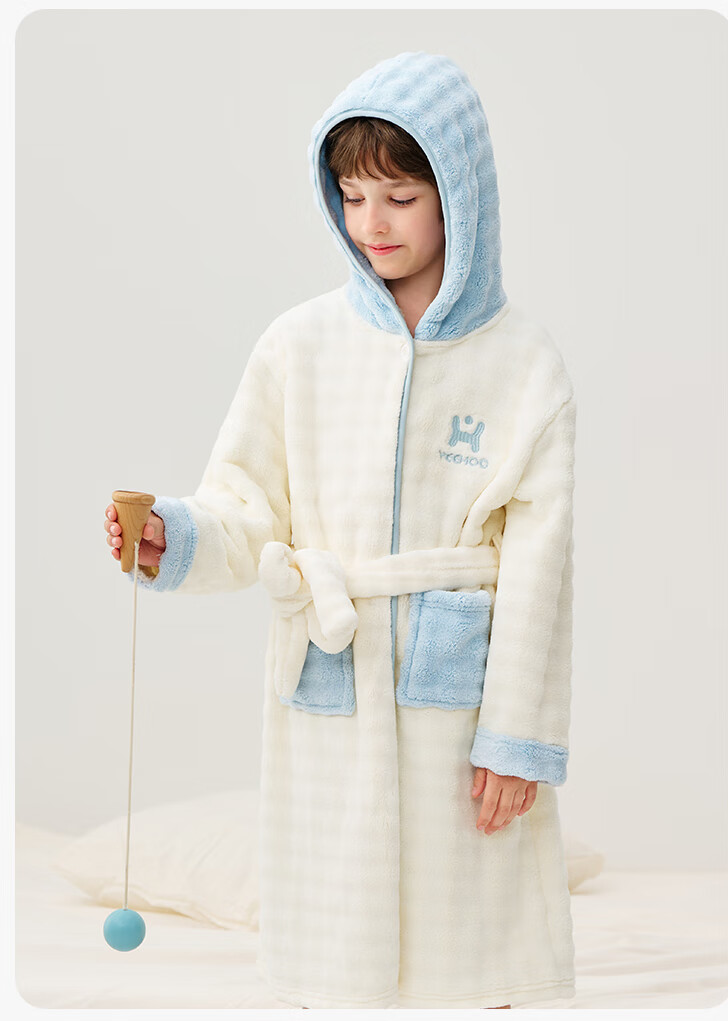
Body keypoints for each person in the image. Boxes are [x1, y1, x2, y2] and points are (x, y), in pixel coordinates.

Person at [103, 51, 576, 1010]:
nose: (372, 223)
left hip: (457, 692)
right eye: (353, 197)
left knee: (469, 911)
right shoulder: (298, 345)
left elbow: (541, 569)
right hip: (330, 665)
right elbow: (245, 506)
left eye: (400, 196)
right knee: (334, 926)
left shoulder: (523, 363)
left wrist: (516, 736)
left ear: (461, 197)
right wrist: (176, 541)